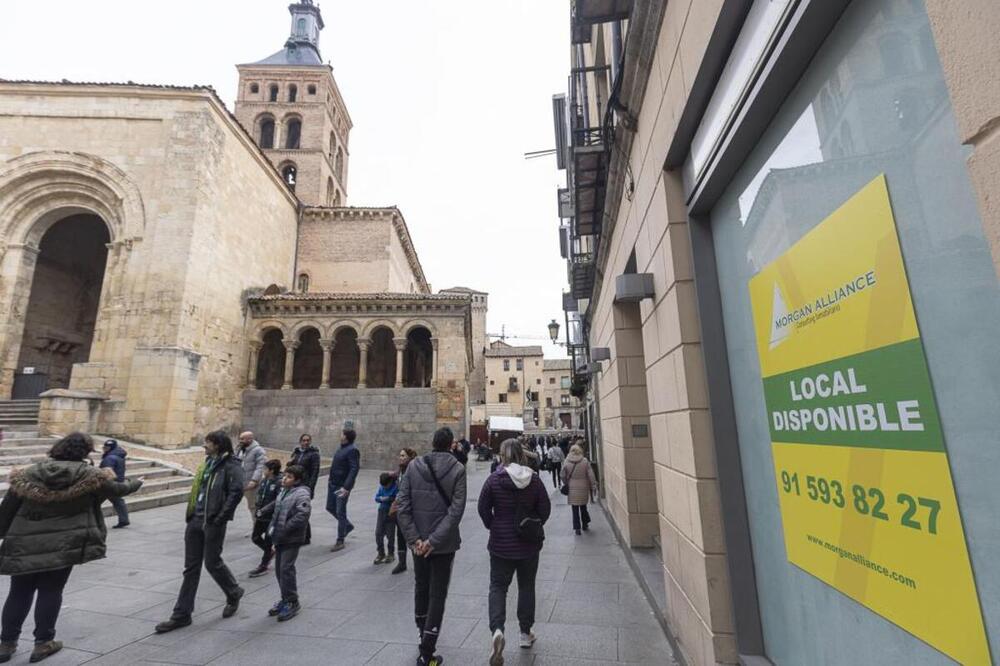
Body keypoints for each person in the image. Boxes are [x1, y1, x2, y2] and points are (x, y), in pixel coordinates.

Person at [0, 433, 142, 663]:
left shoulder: (29, 473)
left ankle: (6, 644)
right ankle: (43, 643)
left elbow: (7, 509)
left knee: (19, 592)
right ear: (85, 452)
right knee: (51, 590)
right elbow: (118, 490)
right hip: (64, 545)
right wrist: (137, 482)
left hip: (24, 543)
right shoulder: (91, 476)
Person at [155, 431, 246, 634]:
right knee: (191, 569)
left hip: (212, 522)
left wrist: (220, 517)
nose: (204, 445)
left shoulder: (232, 465)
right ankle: (181, 615)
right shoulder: (207, 463)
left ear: (218, 444)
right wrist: (191, 514)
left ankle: (233, 592)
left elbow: (236, 492)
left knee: (212, 562)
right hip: (195, 520)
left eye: (208, 443)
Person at [396, 427, 468, 666]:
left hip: (418, 544)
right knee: (437, 594)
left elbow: (402, 505)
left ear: (433, 442)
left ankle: (421, 632)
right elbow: (456, 511)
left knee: (421, 587)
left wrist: (415, 539)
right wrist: (433, 541)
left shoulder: (414, 466)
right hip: (443, 544)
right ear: (451, 445)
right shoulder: (457, 470)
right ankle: (427, 651)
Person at [477, 439, 551, 665]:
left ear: (502, 455)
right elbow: (545, 509)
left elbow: (482, 508)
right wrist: (533, 525)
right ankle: (525, 633)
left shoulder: (494, 480)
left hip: (500, 544)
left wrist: (494, 525)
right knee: (527, 586)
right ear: (522, 454)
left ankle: (497, 630)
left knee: (498, 587)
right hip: (528, 544)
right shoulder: (535, 480)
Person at [261, 464, 311, 622]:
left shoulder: (301, 493)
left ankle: (292, 601)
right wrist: (263, 510)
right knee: (279, 570)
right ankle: (285, 598)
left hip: (291, 538)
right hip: (279, 536)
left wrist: (285, 528)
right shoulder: (284, 490)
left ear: (297, 480)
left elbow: (303, 515)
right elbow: (277, 504)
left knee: (286, 569)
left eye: (289, 477)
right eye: (285, 476)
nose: (284, 479)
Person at [327, 425, 360, 552]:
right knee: (330, 507)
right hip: (333, 484)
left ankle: (340, 540)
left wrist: (346, 487)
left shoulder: (352, 450)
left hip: (342, 486)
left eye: (342, 434)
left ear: (346, 437)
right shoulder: (341, 448)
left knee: (340, 512)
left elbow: (354, 468)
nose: (340, 436)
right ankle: (347, 526)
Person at [248, 459, 283, 577]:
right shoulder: (264, 480)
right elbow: (260, 494)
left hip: (270, 517)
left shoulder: (278, 482)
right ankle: (270, 552)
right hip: (260, 516)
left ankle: (264, 565)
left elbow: (277, 500)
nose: (263, 471)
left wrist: (264, 510)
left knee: (268, 541)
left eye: (265, 469)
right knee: (255, 537)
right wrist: (258, 507)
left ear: (271, 470)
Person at [391, 448, 418, 575]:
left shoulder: (413, 471)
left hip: (410, 509)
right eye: (400, 455)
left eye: (403, 456)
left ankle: (417, 562)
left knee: (411, 535)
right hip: (400, 509)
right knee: (400, 535)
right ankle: (402, 563)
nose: (400, 457)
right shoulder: (400, 471)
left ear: (409, 457)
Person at [561, 444, 598, 535]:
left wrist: (566, 482)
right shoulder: (584, 461)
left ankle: (577, 528)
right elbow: (591, 475)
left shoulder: (566, 461)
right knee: (583, 506)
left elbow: (562, 475)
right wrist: (593, 485)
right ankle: (585, 524)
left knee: (574, 508)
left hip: (572, 487)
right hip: (583, 486)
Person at [99, 438, 130, 528]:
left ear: (110, 448)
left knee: (94, 502)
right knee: (118, 501)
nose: (104, 449)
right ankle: (124, 520)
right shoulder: (119, 456)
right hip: (118, 482)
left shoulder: (109, 458)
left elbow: (107, 472)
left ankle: (90, 520)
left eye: (106, 447)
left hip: (109, 484)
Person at [236, 431, 266, 521]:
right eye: (240, 438)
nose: (240, 441)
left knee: (253, 506)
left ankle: (256, 530)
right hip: (241, 482)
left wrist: (254, 480)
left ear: (250, 439)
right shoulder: (240, 449)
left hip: (251, 484)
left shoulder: (259, 450)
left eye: (242, 439)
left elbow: (260, 466)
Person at [374, 472, 398, 565]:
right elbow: (376, 498)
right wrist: (383, 498)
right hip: (381, 511)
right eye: (383, 486)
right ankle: (381, 553)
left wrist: (389, 498)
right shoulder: (382, 487)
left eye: (386, 485)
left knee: (390, 534)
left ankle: (391, 553)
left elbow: (396, 498)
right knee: (378, 533)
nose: (385, 487)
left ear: (391, 482)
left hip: (391, 513)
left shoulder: (395, 487)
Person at [289, 434, 320, 498]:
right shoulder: (296, 452)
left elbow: (315, 472)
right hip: (294, 482)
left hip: (305, 483)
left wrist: (310, 487)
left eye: (308, 440)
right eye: (304, 440)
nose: (306, 442)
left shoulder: (314, 454)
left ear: (310, 442)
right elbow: (290, 467)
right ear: (300, 442)